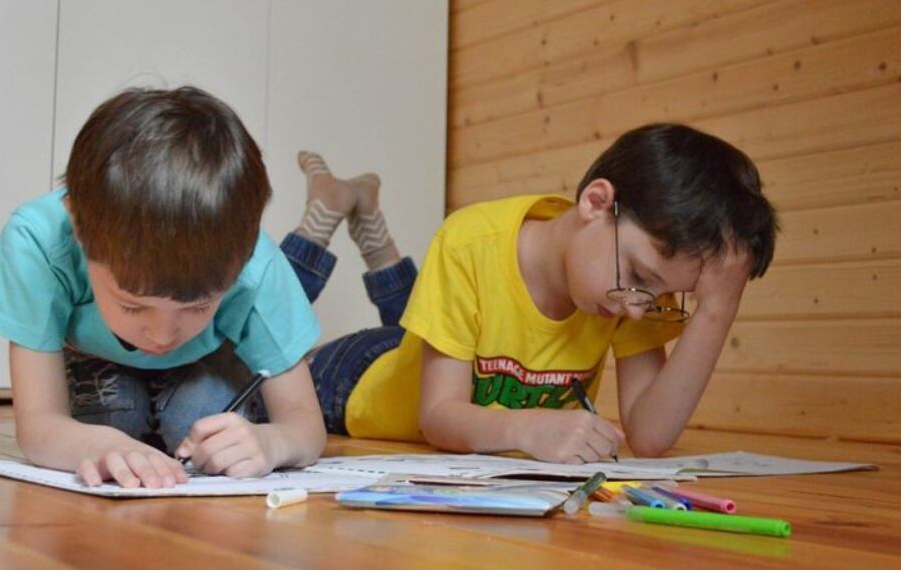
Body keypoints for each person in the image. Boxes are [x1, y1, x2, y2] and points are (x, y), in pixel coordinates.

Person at [293, 123, 777, 464]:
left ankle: (370, 224)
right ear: (595, 202)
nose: (635, 309)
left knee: (419, 323)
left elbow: (649, 437)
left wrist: (718, 307)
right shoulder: (470, 240)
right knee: (266, 353)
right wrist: (526, 428)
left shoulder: (638, 285)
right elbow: (438, 416)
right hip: (354, 383)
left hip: (441, 356)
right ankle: (329, 208)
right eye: (637, 276)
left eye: (659, 295)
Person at [0, 87, 326, 489]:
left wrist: (272, 441)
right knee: (113, 420)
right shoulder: (39, 241)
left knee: (208, 422)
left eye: (198, 307)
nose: (161, 335)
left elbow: (304, 425)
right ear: (79, 229)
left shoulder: (256, 265)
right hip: (90, 362)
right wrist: (96, 444)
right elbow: (38, 425)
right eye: (133, 307)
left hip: (203, 366)